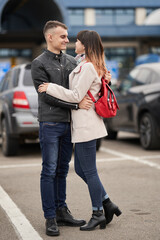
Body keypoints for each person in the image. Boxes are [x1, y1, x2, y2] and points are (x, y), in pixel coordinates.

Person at [38, 30, 122, 231]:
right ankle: (107, 203)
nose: (73, 42)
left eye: (77, 40)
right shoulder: (84, 63)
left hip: (86, 124)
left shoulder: (88, 67)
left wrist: (50, 87)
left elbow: (76, 95)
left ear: (85, 44)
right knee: (82, 170)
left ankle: (97, 213)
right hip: (84, 123)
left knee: (89, 171)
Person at [31, 21, 94, 237]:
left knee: (62, 170)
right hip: (49, 123)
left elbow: (84, 84)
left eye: (67, 37)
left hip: (69, 124)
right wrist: (75, 105)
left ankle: (61, 211)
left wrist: (106, 78)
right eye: (63, 37)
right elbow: (47, 95)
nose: (67, 40)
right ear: (50, 37)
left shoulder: (72, 61)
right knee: (48, 170)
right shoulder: (38, 63)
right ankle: (50, 217)